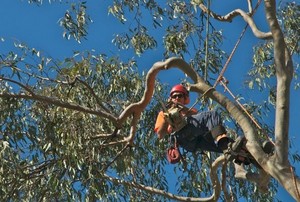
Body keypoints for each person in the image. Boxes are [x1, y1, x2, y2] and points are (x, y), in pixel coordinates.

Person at [154, 84, 253, 165]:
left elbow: (197, 118)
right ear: (170, 98)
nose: (176, 98)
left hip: (195, 141)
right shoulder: (163, 113)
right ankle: (224, 144)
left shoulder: (189, 111)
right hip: (182, 138)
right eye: (174, 96)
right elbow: (160, 134)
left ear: (184, 99)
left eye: (179, 96)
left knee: (214, 138)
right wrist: (167, 117)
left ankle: (245, 155)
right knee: (211, 115)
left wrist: (181, 108)